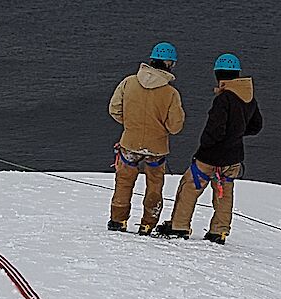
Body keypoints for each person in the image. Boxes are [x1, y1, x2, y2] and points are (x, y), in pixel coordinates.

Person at [165, 53, 263, 243]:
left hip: (210, 157)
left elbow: (214, 131)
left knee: (189, 187)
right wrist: (237, 134)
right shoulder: (248, 97)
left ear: (218, 74)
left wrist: (204, 147)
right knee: (224, 193)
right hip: (233, 157)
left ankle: (179, 227)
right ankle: (219, 232)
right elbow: (256, 126)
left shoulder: (224, 99)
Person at [107, 42, 185, 234]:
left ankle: (118, 220)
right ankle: (147, 223)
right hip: (156, 148)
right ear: (169, 64)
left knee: (124, 183)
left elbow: (114, 109)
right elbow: (175, 127)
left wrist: (130, 124)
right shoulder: (171, 93)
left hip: (130, 143)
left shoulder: (129, 82)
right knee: (154, 186)